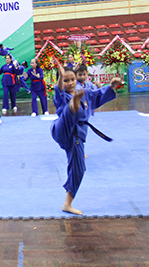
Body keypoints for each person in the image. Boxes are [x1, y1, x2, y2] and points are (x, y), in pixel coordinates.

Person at [51, 58, 120, 215]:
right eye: (66, 80)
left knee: (79, 169)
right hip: (63, 129)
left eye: (72, 79)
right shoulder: (61, 96)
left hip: (77, 136)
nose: (70, 83)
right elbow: (59, 90)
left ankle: (67, 204)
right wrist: (61, 79)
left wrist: (111, 86)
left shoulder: (84, 92)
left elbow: (97, 96)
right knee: (69, 110)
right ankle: (73, 106)